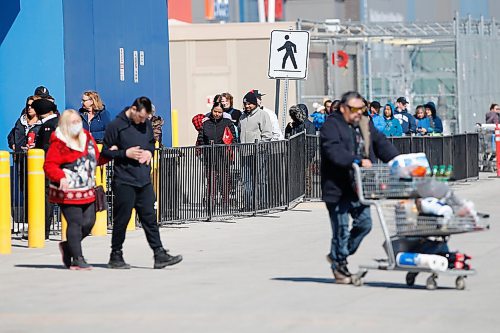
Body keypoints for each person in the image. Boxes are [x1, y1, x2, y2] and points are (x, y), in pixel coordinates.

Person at [320, 91, 399, 284]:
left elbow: (381, 143)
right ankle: (340, 267)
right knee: (341, 230)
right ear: (344, 108)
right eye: (355, 109)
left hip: (360, 185)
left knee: (365, 224)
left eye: (362, 109)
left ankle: (338, 254)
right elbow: (332, 150)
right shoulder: (332, 125)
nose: (359, 113)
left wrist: (398, 161)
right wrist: (356, 160)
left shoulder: (365, 123)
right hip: (338, 187)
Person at [101, 96, 182, 269]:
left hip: (143, 179)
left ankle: (159, 254)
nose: (143, 121)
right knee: (122, 219)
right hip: (124, 180)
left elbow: (151, 143)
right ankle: (116, 255)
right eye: (141, 117)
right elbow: (105, 152)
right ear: (134, 110)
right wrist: (125, 153)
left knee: (150, 218)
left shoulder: (145, 124)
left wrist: (149, 153)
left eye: (146, 119)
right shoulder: (116, 126)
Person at [43, 109, 102, 270]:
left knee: (89, 222)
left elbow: (96, 156)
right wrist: (60, 176)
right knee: (75, 222)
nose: (77, 125)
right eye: (73, 122)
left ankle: (69, 246)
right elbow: (49, 165)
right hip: (67, 191)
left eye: (78, 121)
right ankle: (78, 258)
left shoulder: (87, 137)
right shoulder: (59, 142)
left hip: (87, 188)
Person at [31, 98, 60, 239]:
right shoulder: (60, 122)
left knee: (47, 197)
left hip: (50, 166)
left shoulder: (49, 125)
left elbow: (47, 147)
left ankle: (43, 231)